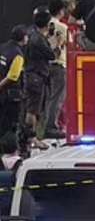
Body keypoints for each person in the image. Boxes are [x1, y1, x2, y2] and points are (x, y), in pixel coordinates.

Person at [23, 10, 57, 150]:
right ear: (47, 24)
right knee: (33, 109)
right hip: (36, 77)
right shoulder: (38, 39)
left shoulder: (32, 34)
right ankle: (31, 138)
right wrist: (58, 43)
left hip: (33, 75)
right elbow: (51, 55)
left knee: (34, 108)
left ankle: (32, 137)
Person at [44, 0, 68, 138]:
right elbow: (66, 43)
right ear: (61, 11)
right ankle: (51, 126)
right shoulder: (62, 27)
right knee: (58, 97)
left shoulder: (46, 25)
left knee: (49, 97)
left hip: (46, 64)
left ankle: (47, 123)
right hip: (59, 63)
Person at [0, 26, 27, 139]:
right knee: (10, 125)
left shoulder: (2, 47)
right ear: (23, 38)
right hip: (11, 95)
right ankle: (9, 149)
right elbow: (13, 77)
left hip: (2, 95)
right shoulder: (18, 55)